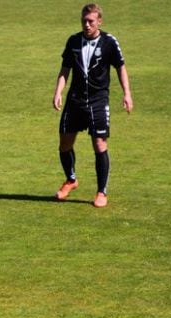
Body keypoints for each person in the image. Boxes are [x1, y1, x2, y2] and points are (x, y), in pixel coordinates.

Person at [52, 3, 133, 208]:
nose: (87, 25)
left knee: (99, 144)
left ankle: (101, 192)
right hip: (75, 100)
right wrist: (58, 92)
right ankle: (71, 180)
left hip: (98, 100)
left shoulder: (109, 42)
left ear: (99, 21)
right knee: (65, 144)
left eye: (90, 21)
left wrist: (127, 94)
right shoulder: (73, 41)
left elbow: (120, 68)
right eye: (84, 21)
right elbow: (65, 69)